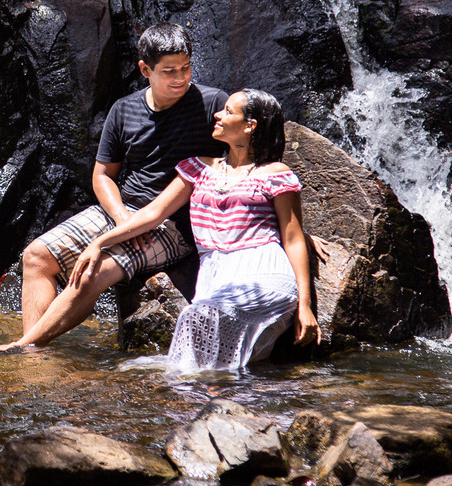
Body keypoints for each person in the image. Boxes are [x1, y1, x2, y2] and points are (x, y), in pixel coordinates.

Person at [0, 22, 227, 353]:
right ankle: (35, 352)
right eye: (169, 71)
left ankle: (24, 347)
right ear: (145, 69)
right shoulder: (124, 110)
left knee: (90, 273)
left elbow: (248, 159)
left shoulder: (212, 104)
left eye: (185, 68)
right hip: (123, 212)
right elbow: (103, 175)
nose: (180, 78)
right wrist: (121, 220)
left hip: (172, 224)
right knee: (35, 256)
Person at [73, 88, 319, 370]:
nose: (217, 114)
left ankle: (190, 399)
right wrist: (100, 242)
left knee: (197, 323)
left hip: (262, 270)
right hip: (216, 273)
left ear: (250, 126)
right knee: (208, 353)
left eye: (228, 111)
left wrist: (305, 305)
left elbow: (292, 238)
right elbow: (153, 214)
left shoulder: (275, 174)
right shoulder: (197, 168)